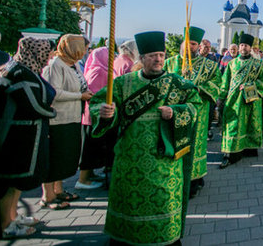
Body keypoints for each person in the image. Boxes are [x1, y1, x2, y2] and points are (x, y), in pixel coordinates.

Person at [90, 31, 200, 246]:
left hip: (164, 161)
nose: (158, 59)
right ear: (141, 58)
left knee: (163, 203)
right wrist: (104, 113)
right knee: (129, 203)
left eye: (161, 54)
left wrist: (176, 112)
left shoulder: (177, 83)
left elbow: (195, 107)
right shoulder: (122, 83)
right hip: (129, 159)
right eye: (152, 55)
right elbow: (98, 104)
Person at [0, 38, 55, 238]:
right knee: (12, 179)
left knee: (18, 181)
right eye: (48, 53)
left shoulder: (24, 69)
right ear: (37, 52)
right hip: (15, 135)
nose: (50, 57)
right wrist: (50, 112)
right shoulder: (20, 74)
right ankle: (5, 223)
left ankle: (13, 215)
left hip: (24, 133)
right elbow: (32, 105)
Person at [164, 26, 221, 197]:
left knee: (196, 145)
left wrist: (199, 87)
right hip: (173, 114)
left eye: (194, 44)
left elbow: (218, 84)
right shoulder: (170, 62)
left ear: (198, 46)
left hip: (198, 113)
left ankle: (194, 179)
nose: (190, 47)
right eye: (188, 43)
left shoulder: (209, 66)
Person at [40, 34, 92, 210]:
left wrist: (87, 93)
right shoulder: (55, 65)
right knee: (54, 157)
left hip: (73, 116)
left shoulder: (74, 65)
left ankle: (59, 189)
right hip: (58, 119)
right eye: (83, 48)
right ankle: (48, 195)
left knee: (64, 157)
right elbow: (54, 92)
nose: (85, 51)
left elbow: (80, 84)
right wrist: (80, 96)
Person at [218, 33, 263, 168]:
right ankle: (230, 154)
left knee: (249, 124)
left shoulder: (258, 64)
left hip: (250, 101)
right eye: (241, 45)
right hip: (233, 102)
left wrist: (250, 87)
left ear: (250, 47)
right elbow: (225, 82)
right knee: (233, 126)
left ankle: (248, 149)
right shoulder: (232, 63)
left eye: (245, 45)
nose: (243, 47)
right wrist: (221, 98)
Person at [78, 47, 112, 191]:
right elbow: (96, 94)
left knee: (92, 148)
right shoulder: (99, 71)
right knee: (89, 149)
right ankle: (83, 179)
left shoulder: (96, 68)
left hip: (93, 116)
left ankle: (89, 174)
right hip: (94, 117)